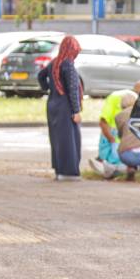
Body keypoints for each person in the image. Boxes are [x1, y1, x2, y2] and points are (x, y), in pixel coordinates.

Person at [38, 35, 83, 181]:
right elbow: (72, 89)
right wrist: (76, 111)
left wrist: (48, 88)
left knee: (57, 139)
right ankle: (69, 172)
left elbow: (40, 76)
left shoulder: (54, 63)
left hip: (53, 103)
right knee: (70, 139)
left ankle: (59, 170)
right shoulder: (68, 64)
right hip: (65, 106)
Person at [89, 80, 140, 178]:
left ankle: (110, 167)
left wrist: (113, 139)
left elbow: (103, 122)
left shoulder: (120, 113)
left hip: (124, 147)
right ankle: (116, 166)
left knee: (119, 152)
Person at [114, 91, 140, 179]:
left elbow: (120, 135)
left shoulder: (119, 116)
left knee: (124, 145)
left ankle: (130, 168)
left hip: (127, 154)